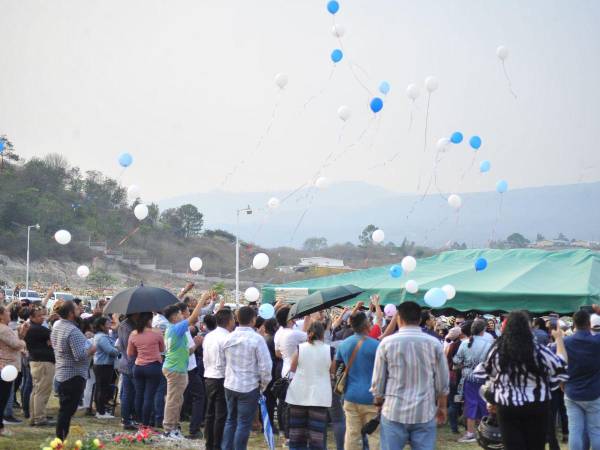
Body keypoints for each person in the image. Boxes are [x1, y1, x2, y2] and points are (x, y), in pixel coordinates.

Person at [474, 310, 568, 450]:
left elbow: (485, 374)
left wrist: (491, 399)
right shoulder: (539, 351)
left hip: (507, 406)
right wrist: (559, 339)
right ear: (529, 327)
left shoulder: (498, 351)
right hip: (536, 405)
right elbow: (560, 365)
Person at [371, 301, 449, 450]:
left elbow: (378, 382)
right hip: (424, 411)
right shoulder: (434, 344)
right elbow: (442, 382)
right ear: (420, 319)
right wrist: (442, 407)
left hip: (393, 410)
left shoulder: (386, 343)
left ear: (399, 318)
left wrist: (379, 402)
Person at [221, 306, 272, 450]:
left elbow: (222, 362)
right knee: (243, 423)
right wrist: (263, 385)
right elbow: (266, 367)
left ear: (237, 319)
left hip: (230, 384)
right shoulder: (257, 339)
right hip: (249, 386)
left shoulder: (228, 337)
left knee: (231, 420)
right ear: (253, 320)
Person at [50, 301, 97, 440]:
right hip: (73, 375)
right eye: (77, 309)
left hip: (62, 372)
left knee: (65, 409)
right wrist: (93, 348)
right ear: (71, 313)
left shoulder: (57, 325)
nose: (80, 310)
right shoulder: (73, 330)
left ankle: (60, 438)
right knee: (67, 410)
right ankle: (60, 439)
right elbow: (80, 355)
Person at [161, 296, 204, 439]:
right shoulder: (175, 328)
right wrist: (202, 299)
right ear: (174, 317)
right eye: (180, 314)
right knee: (173, 400)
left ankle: (174, 426)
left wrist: (196, 344)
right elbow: (193, 318)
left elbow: (186, 351)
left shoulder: (175, 330)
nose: (182, 316)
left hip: (179, 368)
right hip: (175, 369)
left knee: (177, 400)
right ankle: (168, 429)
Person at [285, 321, 333, 450]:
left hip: (298, 394)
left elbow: (292, 368)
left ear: (308, 333)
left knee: (296, 435)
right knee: (317, 437)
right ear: (322, 334)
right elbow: (331, 371)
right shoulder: (330, 350)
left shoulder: (301, 348)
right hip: (320, 396)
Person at [335, 312, 380, 450]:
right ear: (367, 325)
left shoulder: (343, 345)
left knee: (352, 434)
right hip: (372, 397)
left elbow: (337, 368)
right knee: (376, 435)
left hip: (350, 394)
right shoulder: (377, 345)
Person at [563, 309, 600, 450]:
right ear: (589, 323)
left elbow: (558, 362)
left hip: (572, 391)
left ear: (574, 323)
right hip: (593, 392)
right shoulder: (597, 341)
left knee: (575, 431)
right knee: (596, 431)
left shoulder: (566, 341)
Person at [452, 319, 492, 442]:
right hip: (485, 378)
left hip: (469, 378)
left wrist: (465, 365)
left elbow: (456, 361)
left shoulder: (465, 343)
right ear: (484, 329)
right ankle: (487, 432)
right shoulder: (490, 343)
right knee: (485, 404)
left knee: (470, 404)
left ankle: (470, 433)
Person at [203, 308, 234, 450]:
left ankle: (209, 443)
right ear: (229, 321)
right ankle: (217, 445)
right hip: (221, 377)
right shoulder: (228, 337)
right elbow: (228, 361)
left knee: (210, 413)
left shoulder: (209, 336)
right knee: (220, 414)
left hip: (209, 376)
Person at [127, 311, 165, 427]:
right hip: (153, 366)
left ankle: (138, 420)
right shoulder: (157, 333)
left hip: (138, 366)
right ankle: (146, 423)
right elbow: (162, 348)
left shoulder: (133, 333)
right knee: (149, 396)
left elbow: (130, 353)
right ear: (150, 320)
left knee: (139, 395)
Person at [24, 306, 55, 427]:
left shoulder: (32, 328)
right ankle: (40, 418)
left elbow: (51, 340)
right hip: (43, 363)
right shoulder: (37, 329)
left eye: (43, 315)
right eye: (39, 316)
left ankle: (34, 417)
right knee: (42, 391)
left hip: (37, 361)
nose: (42, 317)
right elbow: (54, 337)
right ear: (31, 317)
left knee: (36, 390)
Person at [0, 305, 26, 437]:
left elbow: (16, 340)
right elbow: (16, 344)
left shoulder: (6, 329)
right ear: (1, 315)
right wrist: (23, 343)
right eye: (6, 312)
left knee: (4, 396)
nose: (9, 314)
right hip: (6, 365)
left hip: (6, 365)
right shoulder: (3, 329)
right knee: (3, 397)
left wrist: (21, 335)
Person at [92, 316, 119, 419]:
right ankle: (101, 411)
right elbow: (110, 350)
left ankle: (100, 409)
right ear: (101, 326)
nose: (109, 325)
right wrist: (118, 350)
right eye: (107, 324)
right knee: (102, 388)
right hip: (103, 365)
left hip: (103, 364)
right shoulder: (101, 337)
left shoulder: (104, 336)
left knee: (101, 387)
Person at [115, 314, 137, 430]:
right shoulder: (129, 327)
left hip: (125, 361)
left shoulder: (123, 325)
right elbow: (131, 347)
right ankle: (127, 419)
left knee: (127, 392)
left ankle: (126, 418)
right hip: (130, 361)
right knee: (129, 393)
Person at [260, 317, 280, 435]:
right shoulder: (272, 339)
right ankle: (269, 425)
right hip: (271, 373)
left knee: (267, 400)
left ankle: (267, 423)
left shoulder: (264, 339)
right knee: (270, 401)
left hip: (266, 373)